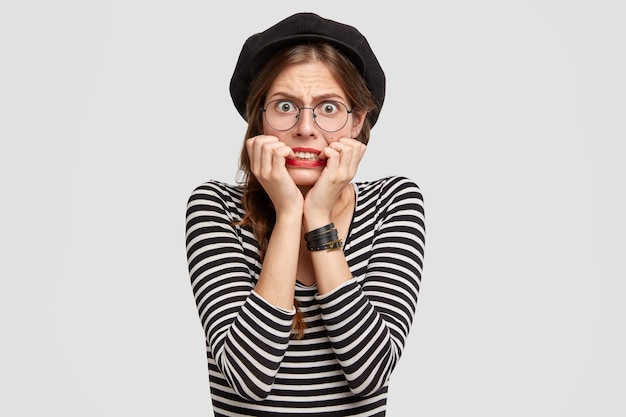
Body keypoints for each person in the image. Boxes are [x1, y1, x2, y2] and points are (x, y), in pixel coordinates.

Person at [185, 12, 426, 416]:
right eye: (285, 106)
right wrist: (288, 211)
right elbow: (248, 378)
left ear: (358, 121)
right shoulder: (214, 207)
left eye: (328, 108)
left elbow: (370, 372)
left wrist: (316, 215)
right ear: (257, 117)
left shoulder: (394, 202)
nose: (306, 128)